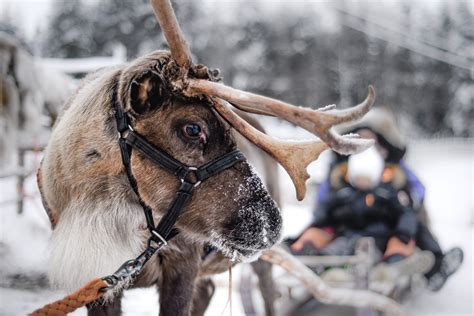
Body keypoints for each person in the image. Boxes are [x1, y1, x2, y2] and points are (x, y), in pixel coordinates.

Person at [289, 107, 463, 291]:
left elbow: (416, 188)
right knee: (329, 235)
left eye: (371, 142)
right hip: (347, 224)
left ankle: (428, 264)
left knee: (411, 225)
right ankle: (310, 256)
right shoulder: (343, 169)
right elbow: (325, 199)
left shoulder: (393, 170)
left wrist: (408, 199)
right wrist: (330, 206)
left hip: (386, 223)